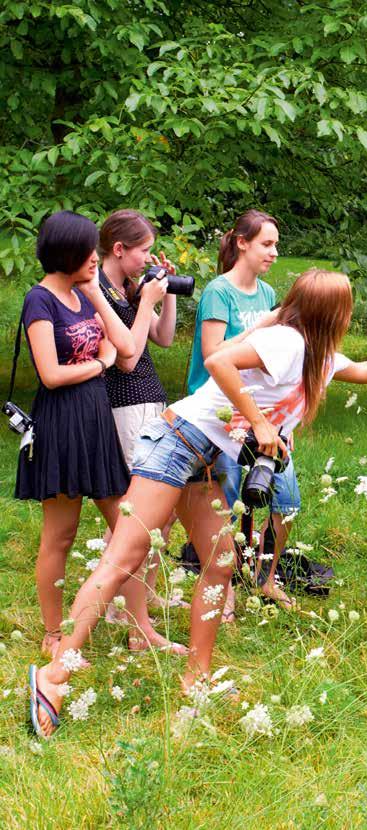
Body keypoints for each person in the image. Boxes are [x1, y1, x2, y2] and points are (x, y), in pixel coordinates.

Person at [29, 268, 367, 737]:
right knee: (124, 557)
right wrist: (260, 423)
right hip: (176, 441)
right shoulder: (287, 342)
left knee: (221, 560)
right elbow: (218, 363)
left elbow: (362, 372)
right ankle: (54, 674)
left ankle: (197, 677)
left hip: (204, 458)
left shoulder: (316, 353)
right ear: (334, 311)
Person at [14, 211, 135, 660]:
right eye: (89, 250)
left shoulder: (84, 295)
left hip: (96, 423)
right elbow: (49, 375)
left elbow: (124, 348)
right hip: (62, 426)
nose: (96, 258)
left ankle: (141, 627)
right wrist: (99, 364)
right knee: (60, 536)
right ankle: (52, 633)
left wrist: (96, 298)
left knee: (129, 528)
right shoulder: (40, 301)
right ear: (68, 252)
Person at [186, 210, 298, 619]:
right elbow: (215, 355)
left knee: (282, 501)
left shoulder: (267, 293)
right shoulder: (219, 292)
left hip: (262, 414)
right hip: (220, 412)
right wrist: (264, 324)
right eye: (267, 244)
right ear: (242, 243)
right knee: (227, 504)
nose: (274, 252)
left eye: (276, 244)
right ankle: (224, 591)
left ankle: (266, 579)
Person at [97, 210, 189, 654]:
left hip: (151, 401)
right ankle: (120, 602)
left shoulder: (127, 289)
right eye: (144, 251)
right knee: (141, 512)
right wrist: (146, 301)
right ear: (119, 250)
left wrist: (163, 294)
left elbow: (165, 339)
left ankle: (136, 596)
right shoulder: (98, 291)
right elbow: (126, 358)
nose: (148, 258)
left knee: (159, 510)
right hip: (124, 404)